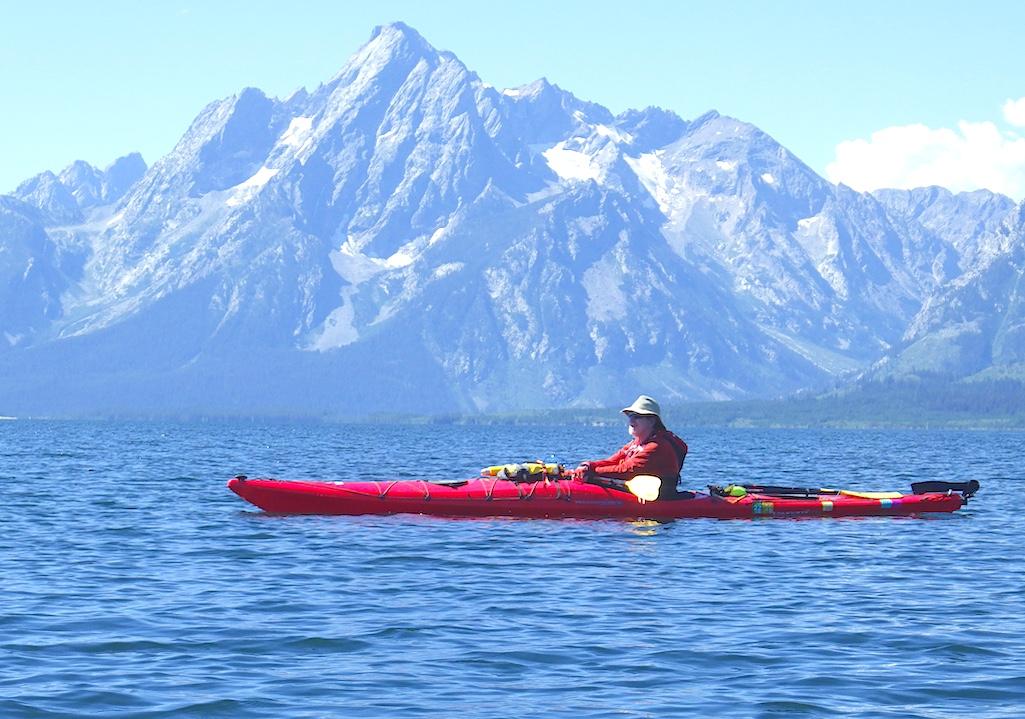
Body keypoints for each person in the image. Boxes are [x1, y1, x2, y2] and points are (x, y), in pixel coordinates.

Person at [573, 395, 688, 500]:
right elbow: (612, 461)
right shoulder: (634, 445)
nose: (631, 420)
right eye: (630, 416)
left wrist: (591, 472)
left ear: (652, 421)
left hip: (660, 497)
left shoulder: (657, 447)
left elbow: (625, 470)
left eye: (637, 416)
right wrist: (588, 466)